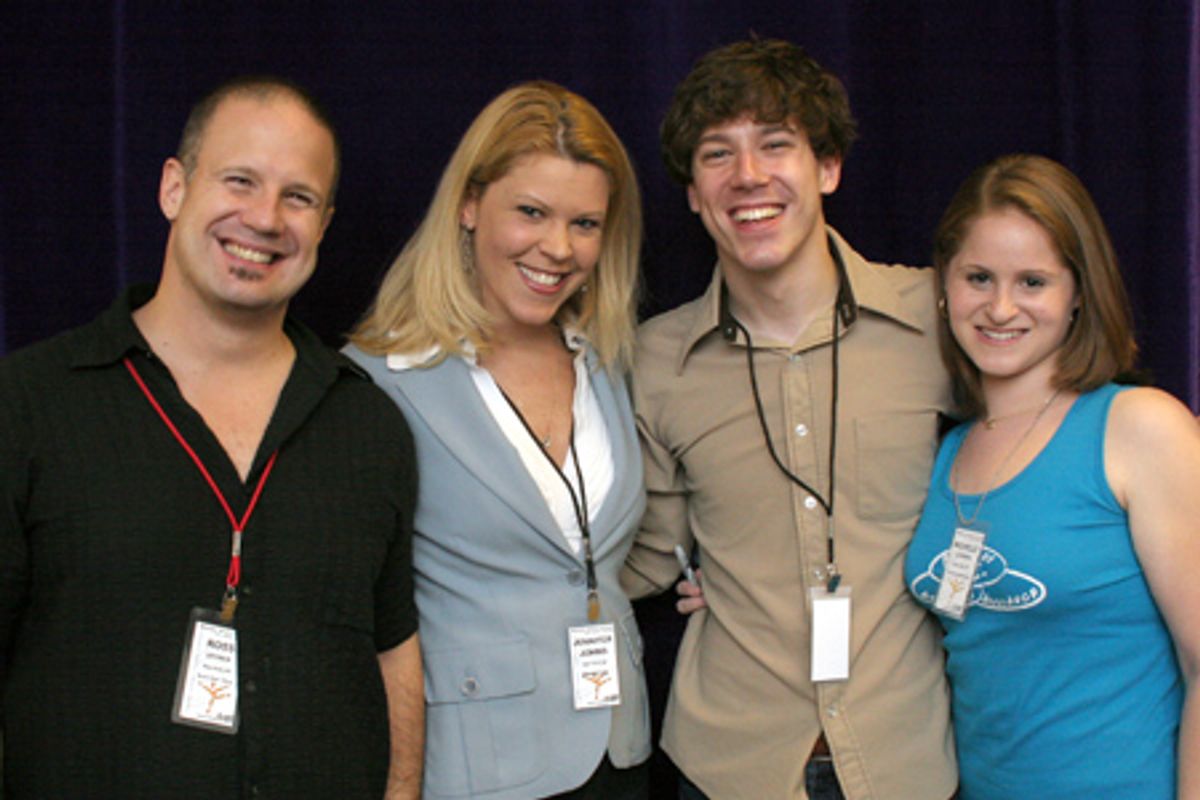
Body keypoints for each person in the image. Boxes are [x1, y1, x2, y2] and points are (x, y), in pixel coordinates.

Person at [0, 76, 423, 798]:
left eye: (298, 197)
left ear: (323, 224)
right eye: (239, 180)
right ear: (173, 187)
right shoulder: (29, 404)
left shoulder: (367, 423)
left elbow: (392, 653)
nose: (264, 218)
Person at [620, 39, 957, 800]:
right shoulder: (653, 362)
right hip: (729, 765)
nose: (748, 176)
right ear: (693, 192)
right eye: (718, 154)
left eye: (776, 144)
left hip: (906, 760)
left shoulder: (938, 319)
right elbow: (648, 551)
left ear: (827, 168)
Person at [345, 81, 649, 799]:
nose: (558, 248)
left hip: (621, 748)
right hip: (479, 767)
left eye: (584, 223)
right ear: (470, 204)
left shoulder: (607, 360)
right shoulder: (377, 384)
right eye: (532, 213)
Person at [905, 154, 1200, 799]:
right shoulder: (948, 446)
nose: (1001, 307)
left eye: (1033, 282)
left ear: (1077, 295)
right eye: (978, 277)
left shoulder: (1140, 427)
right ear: (944, 288)